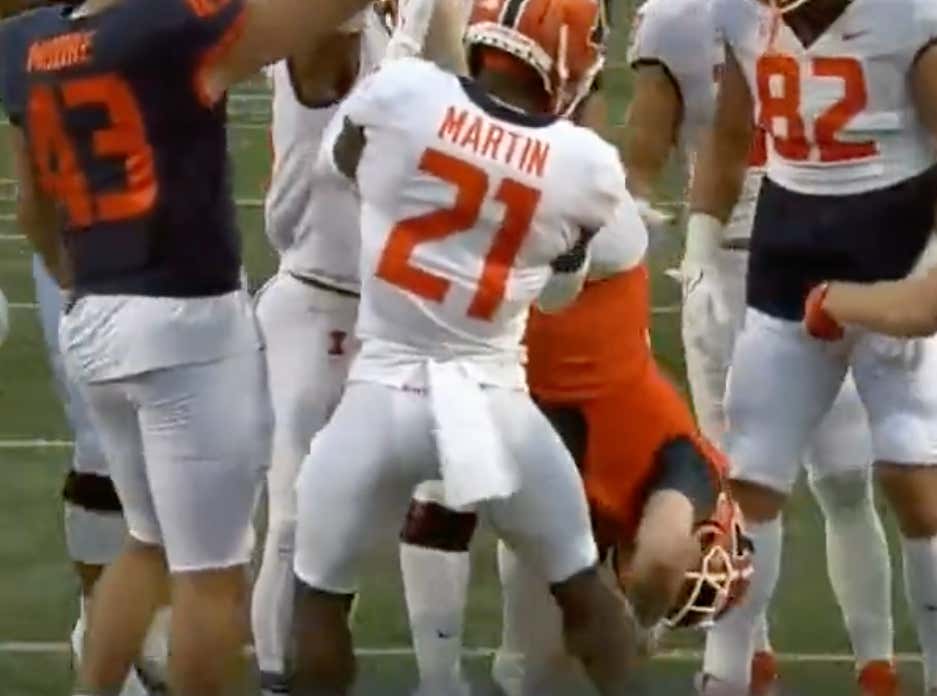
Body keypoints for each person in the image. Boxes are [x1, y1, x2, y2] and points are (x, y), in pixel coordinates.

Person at [0, 0, 373, 692]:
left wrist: (83, 288)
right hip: (182, 323)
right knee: (210, 575)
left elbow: (32, 207)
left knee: (146, 544)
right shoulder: (168, 27)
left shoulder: (22, 42)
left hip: (94, 315)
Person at [289, 0, 642, 691]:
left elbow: (339, 163)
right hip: (493, 403)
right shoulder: (585, 165)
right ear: (569, 64)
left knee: (318, 597)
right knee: (582, 588)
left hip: (380, 393)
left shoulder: (406, 94)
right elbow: (559, 295)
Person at [624, 0, 896, 693]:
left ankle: (849, 666)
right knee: (773, 484)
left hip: (804, 251)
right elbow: (659, 150)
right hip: (757, 262)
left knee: (818, 478)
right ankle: (763, 664)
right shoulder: (684, 18)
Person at [686, 0, 937, 693]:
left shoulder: (909, 15)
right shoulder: (740, 12)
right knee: (752, 473)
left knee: (913, 477)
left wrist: (924, 277)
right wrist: (702, 242)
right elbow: (729, 134)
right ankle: (725, 674)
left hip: (896, 240)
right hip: (786, 247)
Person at [251, 0, 467, 692]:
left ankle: (433, 676)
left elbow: (462, 85)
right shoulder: (320, 29)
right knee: (292, 516)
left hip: (389, 305)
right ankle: (276, 677)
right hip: (316, 300)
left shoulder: (388, 26)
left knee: (406, 508)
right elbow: (360, 130)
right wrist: (407, 33)